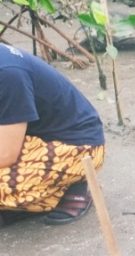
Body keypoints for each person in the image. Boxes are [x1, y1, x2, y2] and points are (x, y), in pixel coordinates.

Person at [0, 44, 105, 225]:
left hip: (75, 146)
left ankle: (67, 188)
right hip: (25, 135)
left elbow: (6, 154)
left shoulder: (8, 74)